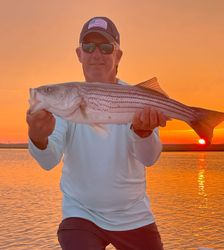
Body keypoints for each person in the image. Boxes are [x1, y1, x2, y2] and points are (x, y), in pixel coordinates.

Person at [26, 16, 168, 250]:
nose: (96, 54)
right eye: (88, 47)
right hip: (81, 214)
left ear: (118, 55)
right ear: (79, 54)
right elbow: (49, 160)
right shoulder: (63, 107)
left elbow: (149, 158)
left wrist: (143, 133)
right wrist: (38, 136)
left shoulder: (136, 98)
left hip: (132, 214)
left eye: (105, 47)